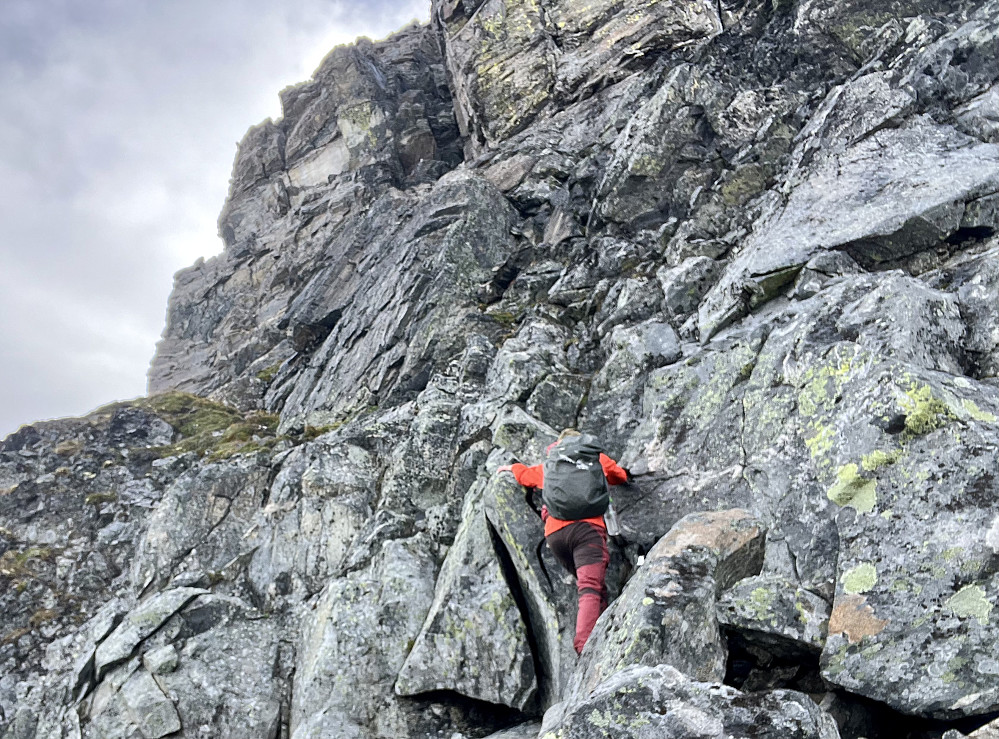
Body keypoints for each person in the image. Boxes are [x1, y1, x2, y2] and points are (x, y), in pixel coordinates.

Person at [497, 429, 628, 654]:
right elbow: (619, 476)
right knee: (589, 587)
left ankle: (601, 629)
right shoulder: (595, 459)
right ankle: (584, 646)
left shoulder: (552, 465)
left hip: (555, 536)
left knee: (594, 587)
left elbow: (525, 476)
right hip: (587, 532)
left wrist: (511, 467)